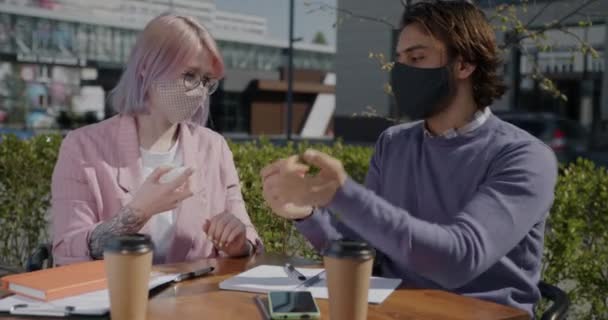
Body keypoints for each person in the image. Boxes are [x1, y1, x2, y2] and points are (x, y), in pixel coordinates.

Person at [261, 0, 557, 316]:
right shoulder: (394, 143)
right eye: (399, 60)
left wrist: (342, 194)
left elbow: (459, 259)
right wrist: (306, 214)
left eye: (417, 57)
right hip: (394, 309)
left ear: (464, 64)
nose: (401, 72)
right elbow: (364, 250)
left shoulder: (524, 157)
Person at [51, 14, 261, 266]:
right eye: (190, 75)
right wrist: (137, 213)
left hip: (195, 300)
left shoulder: (214, 147)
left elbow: (249, 240)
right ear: (146, 70)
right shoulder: (82, 147)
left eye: (206, 80)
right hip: (115, 299)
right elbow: (68, 251)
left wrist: (238, 242)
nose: (200, 91)